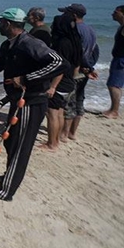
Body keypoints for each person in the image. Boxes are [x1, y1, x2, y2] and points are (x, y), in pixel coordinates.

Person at [0, 8, 65, 201]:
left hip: (31, 102)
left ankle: (6, 191)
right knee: (10, 141)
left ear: (8, 24)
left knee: (20, 146)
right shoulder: (8, 45)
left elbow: (59, 63)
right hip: (17, 101)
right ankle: (9, 177)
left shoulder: (30, 43)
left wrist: (26, 78)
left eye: (0, 22)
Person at [40, 12, 82, 151]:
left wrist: (53, 86)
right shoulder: (75, 41)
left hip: (60, 82)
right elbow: (76, 64)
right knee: (59, 112)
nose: (52, 26)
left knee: (52, 113)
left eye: (54, 24)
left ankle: (52, 143)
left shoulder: (62, 43)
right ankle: (56, 140)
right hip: (69, 81)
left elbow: (60, 67)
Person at [61, 3, 99, 141]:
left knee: (69, 101)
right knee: (79, 99)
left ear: (74, 15)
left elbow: (78, 52)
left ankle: (64, 134)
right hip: (84, 70)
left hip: (75, 70)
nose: (64, 16)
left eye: (66, 13)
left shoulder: (74, 29)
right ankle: (72, 133)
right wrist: (90, 66)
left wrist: (86, 66)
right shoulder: (90, 30)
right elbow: (95, 50)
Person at [102, 5, 124, 119]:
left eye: (116, 12)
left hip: (121, 59)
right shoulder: (121, 27)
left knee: (113, 84)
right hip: (119, 58)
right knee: (115, 84)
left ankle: (114, 111)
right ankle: (113, 109)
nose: (113, 14)